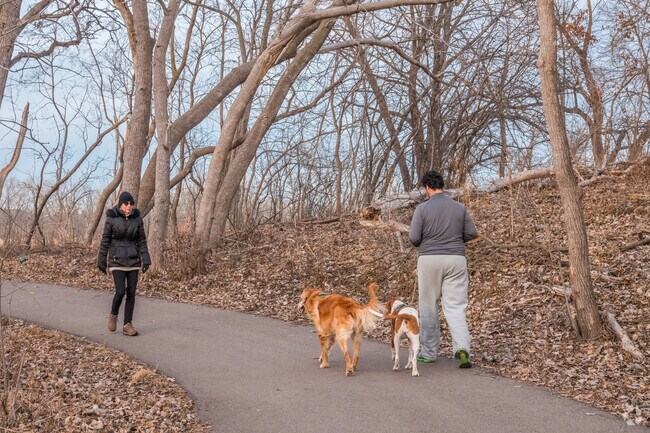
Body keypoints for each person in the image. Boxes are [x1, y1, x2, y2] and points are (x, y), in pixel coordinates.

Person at [409, 171, 478, 368]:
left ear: (427, 187)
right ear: (442, 185)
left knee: (428, 306)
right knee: (456, 307)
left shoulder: (422, 209)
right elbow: (472, 233)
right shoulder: (459, 207)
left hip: (429, 260)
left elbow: (414, 238)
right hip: (456, 259)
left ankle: (429, 352)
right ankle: (462, 348)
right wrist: (456, 240)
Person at [97, 191, 151, 336]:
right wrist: (101, 260)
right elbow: (105, 240)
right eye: (126, 203)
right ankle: (113, 315)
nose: (129, 206)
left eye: (131, 203)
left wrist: (146, 259)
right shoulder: (111, 219)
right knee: (120, 291)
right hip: (117, 260)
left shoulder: (137, 219)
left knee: (131, 293)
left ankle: (127, 324)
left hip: (133, 260)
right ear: (120, 204)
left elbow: (141, 241)